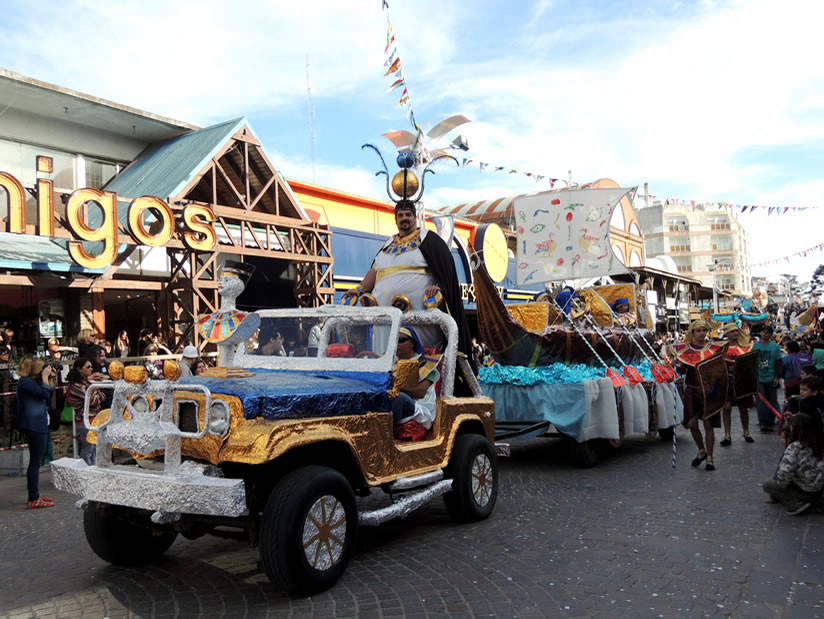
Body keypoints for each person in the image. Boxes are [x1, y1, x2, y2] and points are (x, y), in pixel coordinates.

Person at [342, 198, 474, 382]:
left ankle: (427, 392)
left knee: (419, 361)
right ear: (395, 219)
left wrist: (439, 286)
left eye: (408, 215)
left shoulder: (428, 239)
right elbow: (374, 271)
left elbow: (446, 271)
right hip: (386, 318)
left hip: (419, 315)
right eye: (401, 215)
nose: (405, 219)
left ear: (415, 218)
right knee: (386, 358)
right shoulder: (387, 244)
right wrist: (358, 289)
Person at [669, 320, 727, 471]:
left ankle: (710, 458)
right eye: (699, 330)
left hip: (709, 391)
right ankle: (701, 450)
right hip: (692, 390)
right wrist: (677, 364)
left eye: (704, 330)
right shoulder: (684, 351)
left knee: (708, 424)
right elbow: (682, 371)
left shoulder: (715, 349)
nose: (702, 333)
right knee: (691, 424)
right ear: (692, 333)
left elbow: (720, 371)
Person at [15, 355, 56, 508]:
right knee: (35, 463)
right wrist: (45, 379)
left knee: (36, 462)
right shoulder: (25, 382)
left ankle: (35, 495)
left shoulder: (31, 383)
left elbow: (46, 396)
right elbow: (43, 394)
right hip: (34, 425)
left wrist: (50, 381)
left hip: (38, 424)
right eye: (41, 369)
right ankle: (33, 499)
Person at [762, 414, 824, 516]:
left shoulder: (795, 447)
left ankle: (796, 503)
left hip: (804, 489)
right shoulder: (818, 442)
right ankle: (816, 502)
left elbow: (784, 474)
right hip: (818, 488)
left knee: (767, 484)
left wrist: (781, 487)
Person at [390, 327, 439, 433]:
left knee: (398, 399)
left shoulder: (427, 364)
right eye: (394, 340)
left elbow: (420, 392)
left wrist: (395, 385)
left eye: (401, 340)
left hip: (421, 410)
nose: (396, 344)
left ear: (412, 343)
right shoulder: (391, 363)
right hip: (403, 406)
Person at [720, 323, 755, 446]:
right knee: (726, 408)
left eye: (736, 331)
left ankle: (746, 432)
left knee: (744, 408)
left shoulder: (745, 347)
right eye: (732, 331)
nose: (735, 333)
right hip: (726, 381)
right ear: (727, 333)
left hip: (741, 381)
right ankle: (727, 435)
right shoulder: (722, 348)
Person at [66, 357, 105, 465]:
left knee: (94, 449)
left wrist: (95, 394)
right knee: (88, 450)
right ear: (79, 369)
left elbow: (102, 397)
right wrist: (96, 394)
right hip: (84, 421)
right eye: (88, 367)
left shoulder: (87, 384)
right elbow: (93, 402)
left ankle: (92, 471)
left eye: (91, 367)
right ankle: (85, 472)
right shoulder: (76, 386)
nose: (91, 369)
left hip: (94, 419)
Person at [754, 326, 783, 433]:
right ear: (760, 333)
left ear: (771, 334)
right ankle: (763, 423)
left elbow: (778, 362)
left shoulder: (775, 347)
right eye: (764, 332)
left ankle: (770, 422)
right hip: (759, 378)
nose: (766, 334)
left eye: (768, 333)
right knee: (761, 402)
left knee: (772, 401)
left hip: (771, 378)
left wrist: (777, 377)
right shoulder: (754, 346)